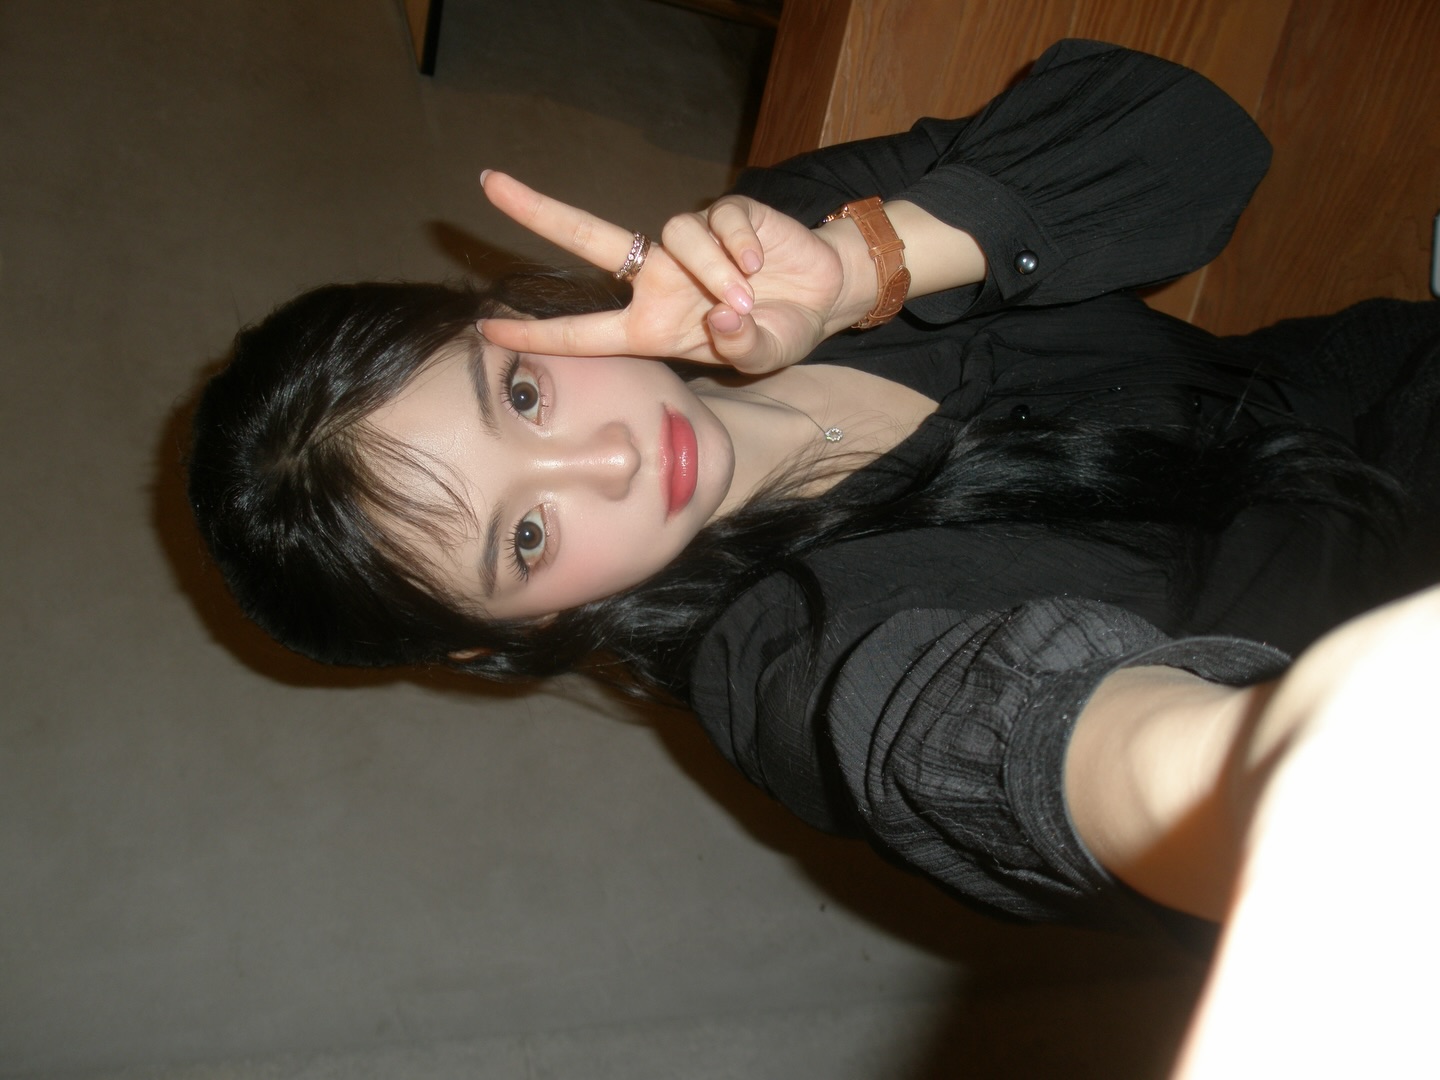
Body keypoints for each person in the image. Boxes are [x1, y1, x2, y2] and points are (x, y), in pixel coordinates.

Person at [187, 40, 1440, 938]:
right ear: (511, 631)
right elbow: (986, 728)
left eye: (520, 396)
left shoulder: (767, 246)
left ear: (505, 315)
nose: (609, 461)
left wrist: (861, 267)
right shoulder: (782, 658)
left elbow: (1201, 140)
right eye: (524, 536)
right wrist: (1253, 779)